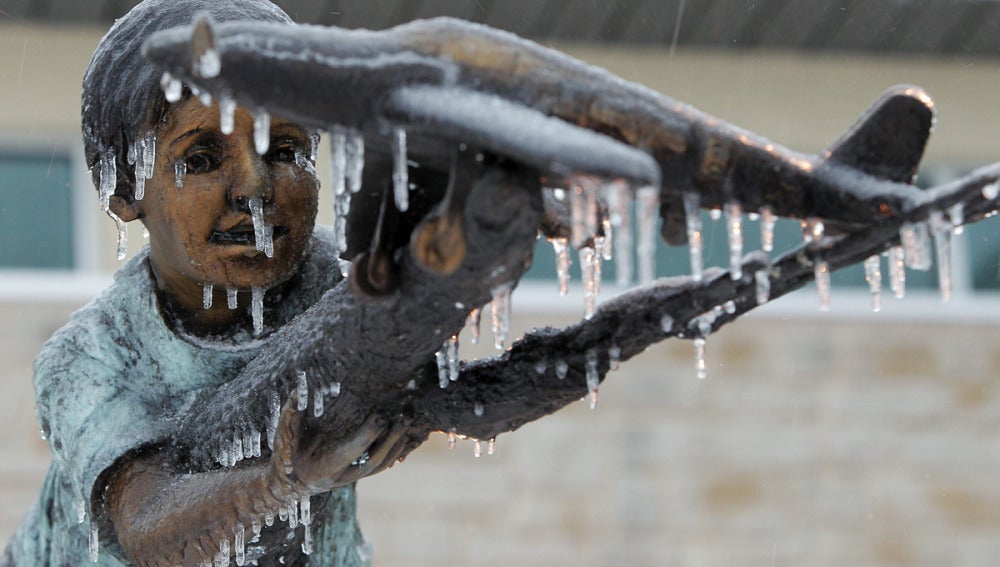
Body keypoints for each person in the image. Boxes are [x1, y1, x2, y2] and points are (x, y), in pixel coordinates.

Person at [1, 0, 532, 564]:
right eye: (201, 159)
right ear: (125, 192)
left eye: (285, 150)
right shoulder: (92, 356)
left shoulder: (346, 282)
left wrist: (511, 221)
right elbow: (148, 525)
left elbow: (455, 384)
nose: (253, 189)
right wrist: (281, 481)